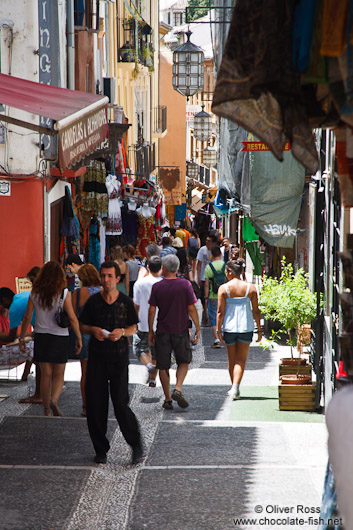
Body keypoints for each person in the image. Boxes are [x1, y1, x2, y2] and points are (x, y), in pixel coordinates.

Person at [79, 260, 143, 465]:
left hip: (118, 360)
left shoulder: (125, 302)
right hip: (97, 358)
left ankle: (135, 445)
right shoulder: (93, 302)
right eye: (103, 276)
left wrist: (123, 332)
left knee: (121, 404)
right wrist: (93, 331)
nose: (105, 280)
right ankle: (100, 450)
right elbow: (82, 325)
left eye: (109, 276)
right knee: (96, 405)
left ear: (117, 279)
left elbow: (134, 327)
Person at [19, 261, 82, 416]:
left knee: (45, 374)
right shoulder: (63, 293)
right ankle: (54, 399)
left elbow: (27, 317)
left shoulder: (35, 292)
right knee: (59, 373)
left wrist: (21, 337)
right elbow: (72, 318)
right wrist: (79, 337)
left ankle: (46, 409)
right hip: (60, 337)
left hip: (41, 336)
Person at [148, 254, 200, 410]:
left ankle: (168, 399)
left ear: (163, 268)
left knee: (163, 366)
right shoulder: (185, 285)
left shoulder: (157, 287)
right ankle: (177, 388)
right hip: (181, 329)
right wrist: (197, 327)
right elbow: (191, 308)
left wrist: (151, 331)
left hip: (163, 330)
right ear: (177, 268)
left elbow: (151, 310)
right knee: (183, 361)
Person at [216, 259, 262, 400]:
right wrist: (259, 330)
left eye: (226, 272)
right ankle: (235, 388)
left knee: (232, 360)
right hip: (246, 326)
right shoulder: (251, 288)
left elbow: (220, 312)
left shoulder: (224, 288)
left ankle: (234, 388)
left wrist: (218, 331)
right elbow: (256, 311)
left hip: (229, 327)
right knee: (241, 360)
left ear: (230, 271)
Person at [0, 267, 42, 403]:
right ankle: (42, 393)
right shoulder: (21, 296)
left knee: (39, 356)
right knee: (40, 357)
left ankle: (39, 394)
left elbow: (11, 337)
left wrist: (22, 338)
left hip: (44, 328)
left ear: (5, 300)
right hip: (50, 327)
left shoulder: (13, 308)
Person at [70, 264, 102, 417]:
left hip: (84, 334)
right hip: (101, 335)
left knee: (85, 373)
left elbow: (74, 316)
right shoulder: (104, 291)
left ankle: (85, 406)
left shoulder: (77, 293)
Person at [133, 256, 162, 387]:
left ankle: (149, 366)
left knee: (139, 349)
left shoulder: (139, 283)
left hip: (142, 322)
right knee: (155, 351)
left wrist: (133, 321)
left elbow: (136, 305)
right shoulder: (164, 283)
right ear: (161, 268)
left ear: (148, 268)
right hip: (160, 324)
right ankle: (153, 379)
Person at [204, 246, 227, 348]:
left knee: (213, 317)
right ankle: (225, 337)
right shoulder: (226, 266)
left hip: (213, 296)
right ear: (221, 254)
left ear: (212, 255)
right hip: (225, 296)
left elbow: (206, 284)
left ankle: (217, 339)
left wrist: (206, 297)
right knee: (224, 315)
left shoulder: (209, 267)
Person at [196, 233, 218, 326]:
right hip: (203, 278)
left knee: (212, 298)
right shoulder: (202, 250)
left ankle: (210, 317)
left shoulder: (216, 251)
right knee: (203, 298)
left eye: (209, 241)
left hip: (213, 279)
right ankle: (205, 316)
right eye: (206, 241)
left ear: (213, 243)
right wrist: (198, 277)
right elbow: (199, 264)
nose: (207, 242)